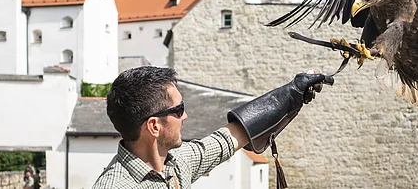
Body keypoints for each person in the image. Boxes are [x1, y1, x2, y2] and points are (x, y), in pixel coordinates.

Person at [92, 66, 329, 188]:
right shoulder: (115, 186)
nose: (185, 116)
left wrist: (291, 94)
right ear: (154, 126)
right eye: (178, 109)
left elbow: (227, 139)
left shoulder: (176, 161)